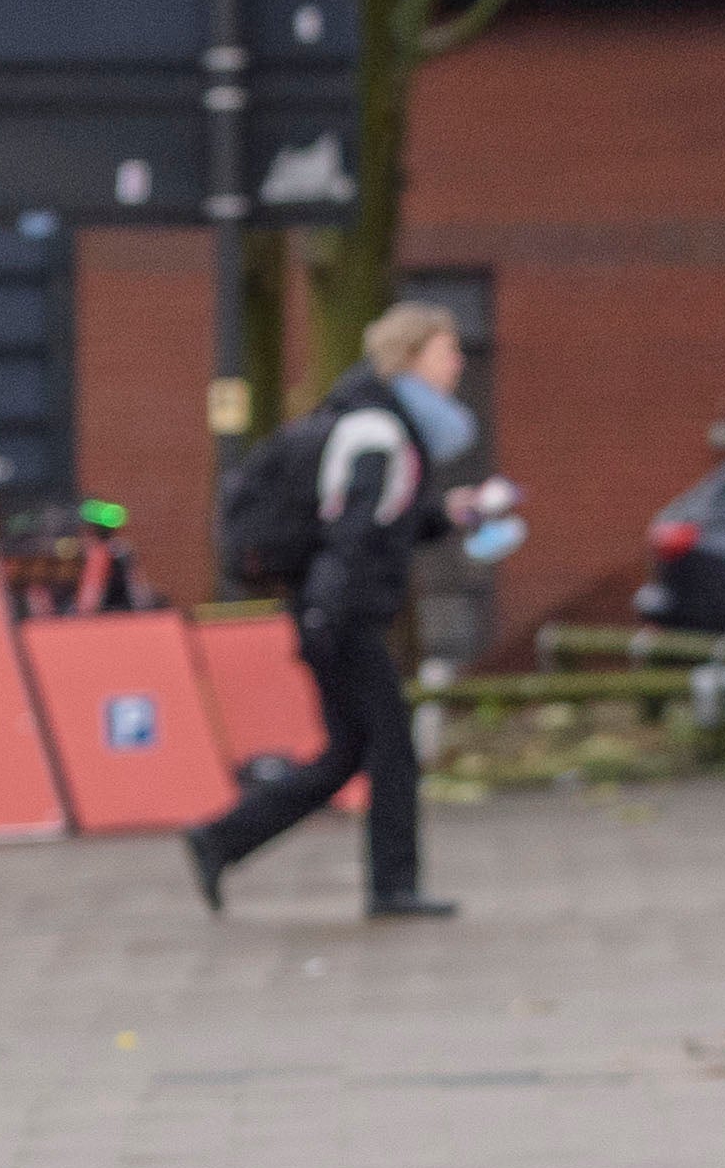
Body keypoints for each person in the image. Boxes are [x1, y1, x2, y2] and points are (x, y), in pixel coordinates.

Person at [187, 302, 511, 923]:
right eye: (447, 351)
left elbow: (391, 524)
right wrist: (329, 614)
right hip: (344, 618)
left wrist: (452, 513)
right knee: (391, 749)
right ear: (412, 358)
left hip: (334, 613)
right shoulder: (378, 433)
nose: (458, 363)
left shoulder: (384, 425)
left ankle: (222, 840)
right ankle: (392, 886)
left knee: (349, 753)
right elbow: (355, 530)